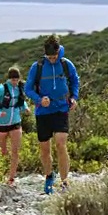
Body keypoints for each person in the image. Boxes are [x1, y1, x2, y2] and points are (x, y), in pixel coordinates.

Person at [24, 34, 80, 194]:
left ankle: (65, 181)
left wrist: (74, 97)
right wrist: (39, 99)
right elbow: (28, 89)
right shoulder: (38, 66)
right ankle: (49, 176)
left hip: (61, 108)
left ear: (59, 51)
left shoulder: (66, 64)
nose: (52, 59)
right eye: (50, 57)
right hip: (43, 112)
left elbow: (75, 81)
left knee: (61, 144)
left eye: (54, 56)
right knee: (44, 149)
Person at [0, 66, 31, 187]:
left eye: (16, 80)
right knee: (2, 152)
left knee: (15, 151)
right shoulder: (1, 89)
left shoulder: (20, 88)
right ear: (9, 79)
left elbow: (21, 101)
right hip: (1, 124)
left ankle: (11, 178)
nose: (15, 82)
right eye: (13, 80)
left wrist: (25, 108)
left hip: (15, 122)